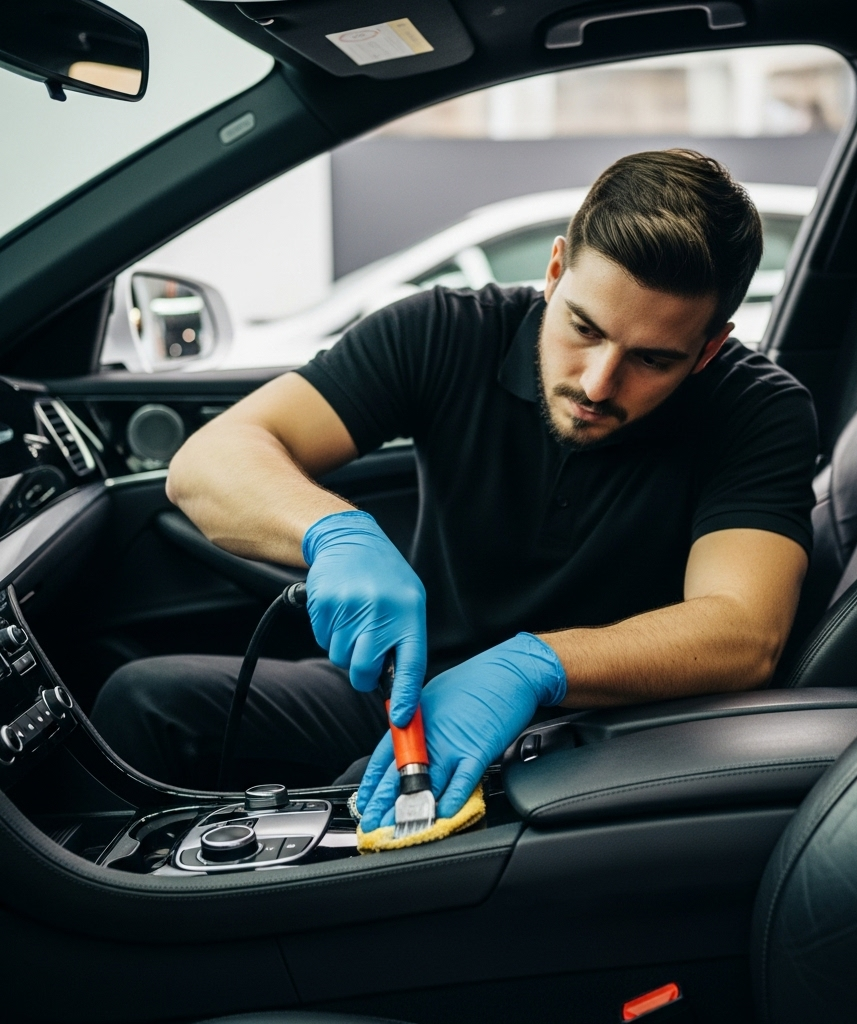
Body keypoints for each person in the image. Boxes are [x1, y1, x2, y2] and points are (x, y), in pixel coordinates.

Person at [91, 149, 817, 831]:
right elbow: (211, 459)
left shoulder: (757, 409)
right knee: (144, 701)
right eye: (584, 328)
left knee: (359, 796)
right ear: (556, 271)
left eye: (653, 359)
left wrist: (536, 665)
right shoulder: (444, 332)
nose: (599, 382)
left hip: (593, 721)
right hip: (409, 687)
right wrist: (335, 533)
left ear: (709, 347)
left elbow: (743, 632)